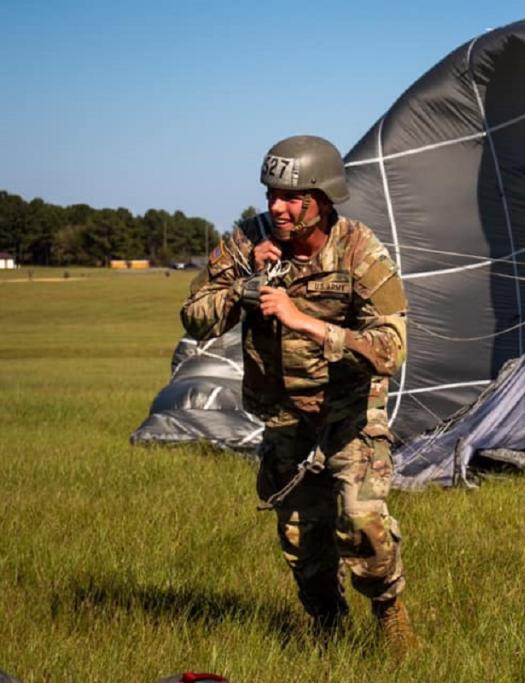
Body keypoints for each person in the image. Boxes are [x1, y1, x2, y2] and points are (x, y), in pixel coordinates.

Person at [180, 135, 414, 654]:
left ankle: (389, 613)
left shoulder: (359, 251)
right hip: (285, 415)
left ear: (323, 199)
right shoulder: (248, 241)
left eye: (290, 197)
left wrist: (304, 322)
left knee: (361, 523)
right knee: (302, 539)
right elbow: (193, 317)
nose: (275, 207)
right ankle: (327, 628)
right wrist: (241, 288)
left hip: (349, 412)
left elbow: (390, 348)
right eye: (270, 194)